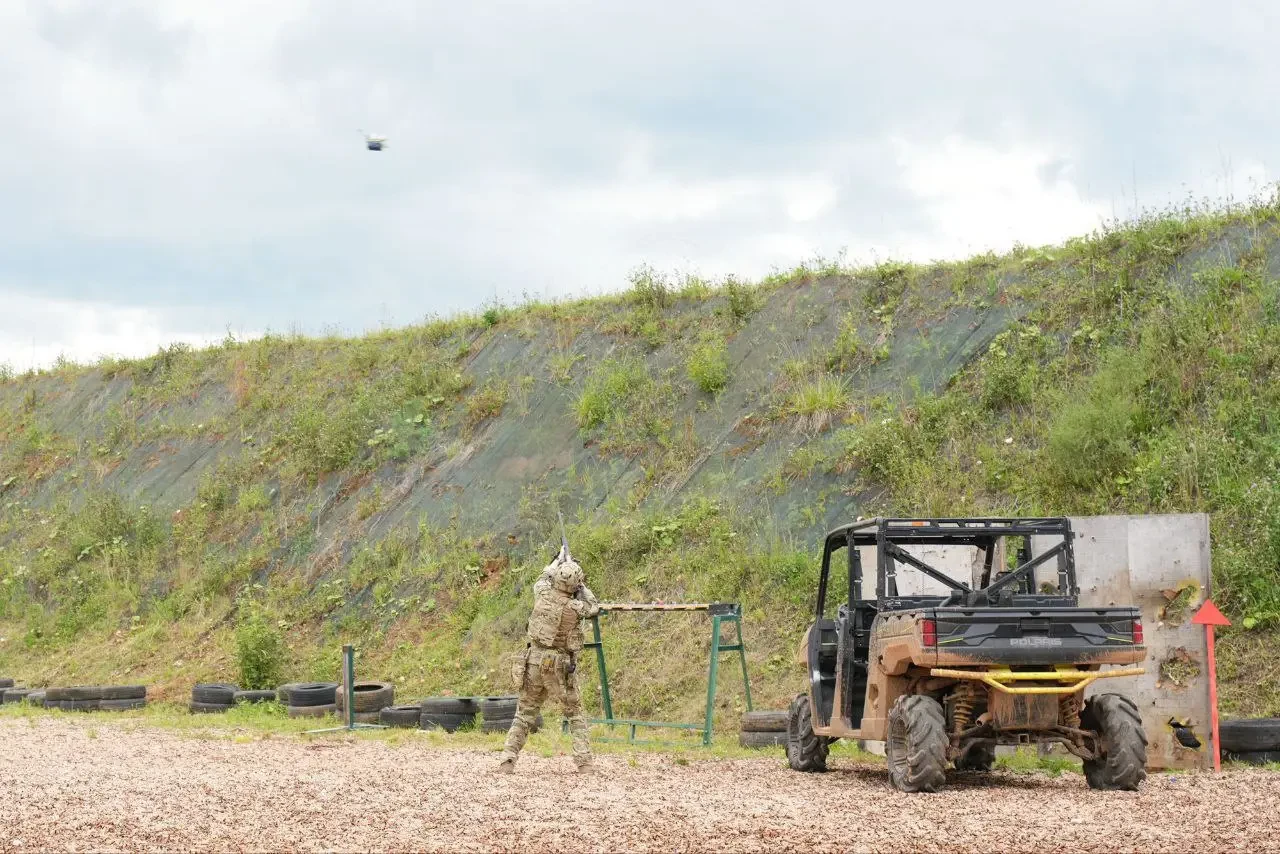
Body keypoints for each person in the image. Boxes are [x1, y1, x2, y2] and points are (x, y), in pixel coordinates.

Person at [495, 552, 600, 773]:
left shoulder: (542, 593)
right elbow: (593, 606)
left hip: (533, 661)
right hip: (559, 664)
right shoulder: (576, 607)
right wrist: (581, 586)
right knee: (574, 713)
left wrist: (557, 560)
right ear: (575, 585)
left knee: (524, 713)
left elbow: (543, 577)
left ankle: (508, 760)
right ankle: (585, 763)